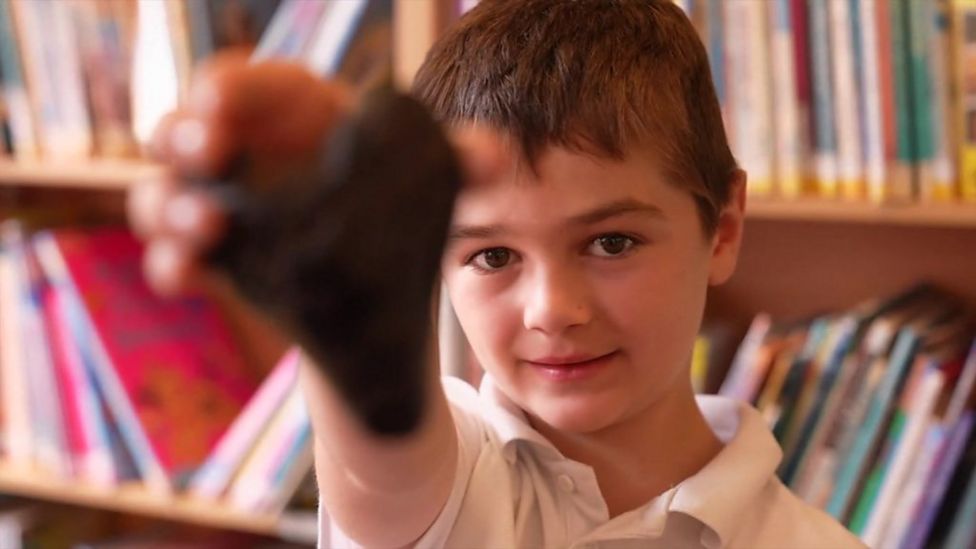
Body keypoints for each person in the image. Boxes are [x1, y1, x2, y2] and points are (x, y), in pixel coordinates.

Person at [129, 1, 866, 547]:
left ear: (723, 230)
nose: (554, 309)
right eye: (492, 255)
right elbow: (380, 469)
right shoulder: (456, 472)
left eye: (611, 242)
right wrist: (347, 317)